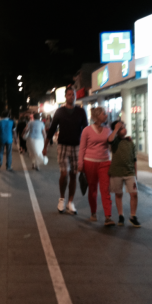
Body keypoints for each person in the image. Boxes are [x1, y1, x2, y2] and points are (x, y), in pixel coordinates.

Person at [43, 86, 88, 215]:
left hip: (77, 147)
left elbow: (86, 130)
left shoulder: (81, 111)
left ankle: (71, 202)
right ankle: (62, 199)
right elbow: (52, 130)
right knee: (64, 173)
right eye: (69, 94)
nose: (71, 97)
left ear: (75, 96)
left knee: (74, 174)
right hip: (62, 145)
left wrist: (88, 147)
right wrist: (45, 146)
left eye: (73, 94)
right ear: (65, 96)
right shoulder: (60, 111)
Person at [78, 107, 114, 226]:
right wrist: (80, 164)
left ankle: (108, 217)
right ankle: (93, 213)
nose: (106, 115)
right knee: (92, 189)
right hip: (90, 162)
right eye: (104, 113)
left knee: (105, 189)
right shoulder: (87, 130)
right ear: (98, 116)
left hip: (105, 162)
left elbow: (112, 144)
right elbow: (82, 148)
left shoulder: (108, 130)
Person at [108, 120, 141, 227]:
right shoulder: (114, 140)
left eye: (124, 127)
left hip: (129, 172)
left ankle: (133, 216)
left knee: (134, 194)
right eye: (122, 128)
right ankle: (120, 216)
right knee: (118, 194)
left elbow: (134, 159)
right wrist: (116, 129)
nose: (124, 129)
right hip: (116, 172)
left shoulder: (130, 142)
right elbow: (109, 140)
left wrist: (135, 173)